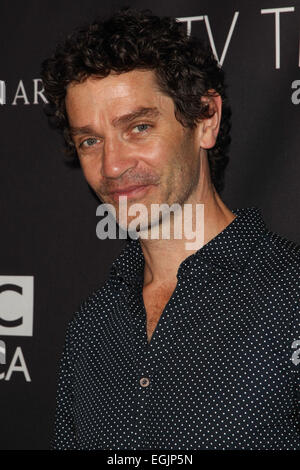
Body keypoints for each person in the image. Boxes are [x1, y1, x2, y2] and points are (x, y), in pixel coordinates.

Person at [41, 7, 300, 450]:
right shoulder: (90, 327)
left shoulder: (290, 295)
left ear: (205, 119)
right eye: (90, 140)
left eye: (138, 127)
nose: (112, 165)